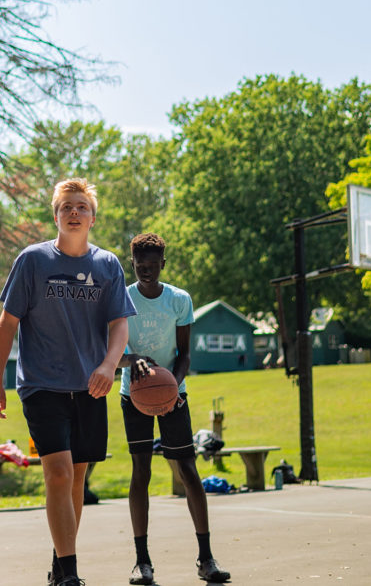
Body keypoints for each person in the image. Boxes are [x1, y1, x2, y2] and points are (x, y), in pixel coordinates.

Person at [0, 178, 135, 586]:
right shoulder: (33, 261)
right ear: (55, 215)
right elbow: (7, 323)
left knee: (77, 477)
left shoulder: (106, 265)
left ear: (92, 217)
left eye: (81, 207)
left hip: (91, 385)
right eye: (66, 206)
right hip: (41, 385)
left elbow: (120, 324)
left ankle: (59, 564)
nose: (74, 212)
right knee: (58, 473)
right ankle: (70, 574)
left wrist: (109, 366)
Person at [120, 233, 230, 584]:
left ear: (163, 264)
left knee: (187, 467)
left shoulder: (179, 300)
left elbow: (184, 353)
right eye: (140, 266)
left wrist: (175, 388)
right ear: (132, 264)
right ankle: (142, 561)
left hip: (172, 393)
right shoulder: (121, 299)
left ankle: (206, 558)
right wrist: (132, 359)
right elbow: (110, 353)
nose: (147, 271)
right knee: (141, 471)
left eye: (153, 265)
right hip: (134, 396)